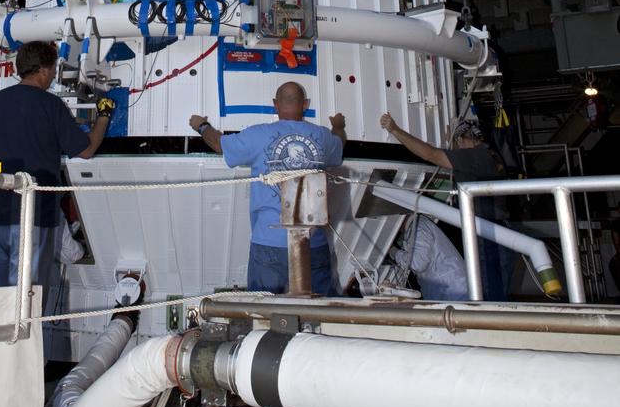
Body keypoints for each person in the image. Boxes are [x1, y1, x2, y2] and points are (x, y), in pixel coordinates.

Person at [0, 40, 112, 351]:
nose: (53, 75)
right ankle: (23, 360)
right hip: (34, 216)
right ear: (42, 70)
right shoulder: (49, 105)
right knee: (29, 298)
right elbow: (86, 150)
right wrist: (104, 115)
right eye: (52, 69)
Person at [190, 82, 346, 294]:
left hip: (270, 242)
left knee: (265, 307)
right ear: (305, 104)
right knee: (319, 307)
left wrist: (201, 126)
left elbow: (219, 144)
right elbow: (339, 146)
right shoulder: (323, 137)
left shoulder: (258, 135)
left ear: (275, 104)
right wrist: (338, 126)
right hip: (314, 243)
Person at [380, 112, 513, 300]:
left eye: (459, 142)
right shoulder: (490, 156)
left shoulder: (476, 156)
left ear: (466, 139)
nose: (458, 146)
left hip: (486, 233)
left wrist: (395, 130)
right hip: (497, 232)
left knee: (489, 298)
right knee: (496, 297)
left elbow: (430, 154)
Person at [390, 214, 468, 301]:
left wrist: (393, 251)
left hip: (453, 293)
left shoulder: (418, 227)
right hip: (451, 292)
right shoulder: (418, 225)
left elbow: (417, 263)